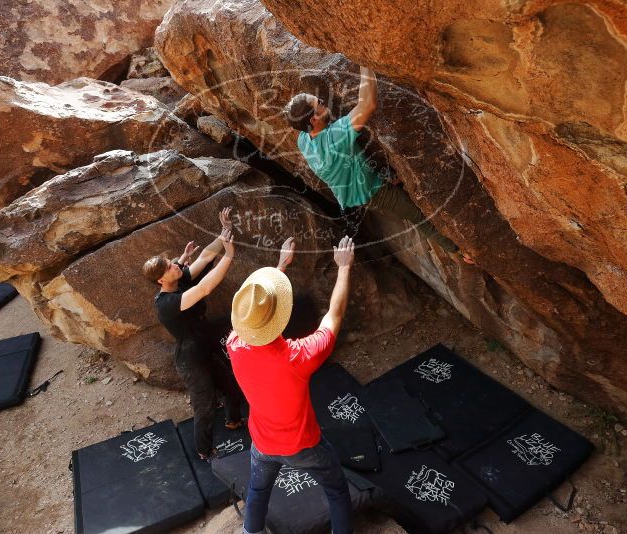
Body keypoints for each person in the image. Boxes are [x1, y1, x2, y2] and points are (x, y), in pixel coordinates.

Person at [226, 235, 356, 534]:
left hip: (263, 443)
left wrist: (281, 266)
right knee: (336, 490)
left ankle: (251, 532)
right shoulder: (298, 357)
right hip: (303, 444)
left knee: (258, 491)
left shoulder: (234, 343)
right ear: (280, 317)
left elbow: (255, 313)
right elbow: (333, 316)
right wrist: (344, 268)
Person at [283, 66, 461, 255]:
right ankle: (457, 251)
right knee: (418, 216)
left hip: (352, 192)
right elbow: (368, 104)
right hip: (373, 192)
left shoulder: (303, 139)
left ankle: (386, 177)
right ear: (313, 119)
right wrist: (364, 61)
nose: (323, 102)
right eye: (318, 103)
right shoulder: (334, 138)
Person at [142, 207, 245, 460]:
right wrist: (229, 256)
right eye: (169, 266)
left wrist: (225, 231)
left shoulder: (178, 279)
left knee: (231, 385)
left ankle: (233, 421)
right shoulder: (165, 304)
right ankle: (204, 450)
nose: (176, 264)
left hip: (205, 345)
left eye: (171, 262)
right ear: (160, 281)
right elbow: (205, 288)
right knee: (205, 406)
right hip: (190, 359)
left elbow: (205, 257)